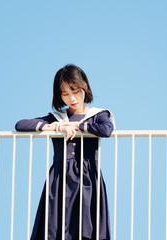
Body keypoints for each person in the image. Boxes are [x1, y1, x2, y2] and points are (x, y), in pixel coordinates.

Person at [15, 64, 115, 240]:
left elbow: (106, 129)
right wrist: (52, 126)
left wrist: (77, 126)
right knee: (55, 229)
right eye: (65, 94)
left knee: (87, 228)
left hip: (88, 179)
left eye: (75, 91)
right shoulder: (57, 118)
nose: (72, 98)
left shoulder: (98, 114)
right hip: (60, 179)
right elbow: (20, 124)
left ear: (85, 86)